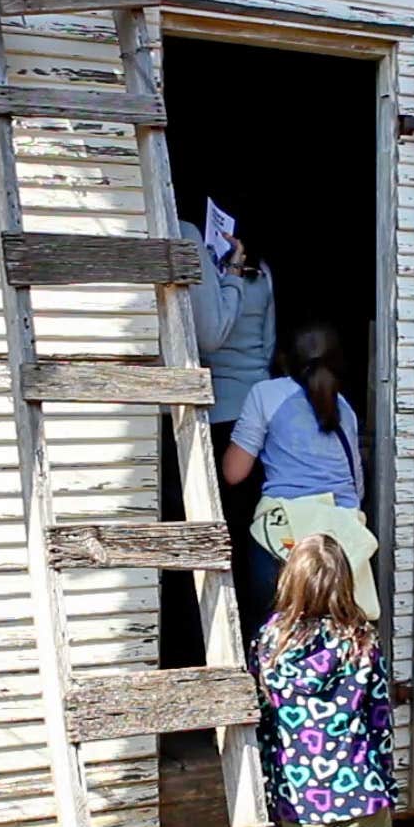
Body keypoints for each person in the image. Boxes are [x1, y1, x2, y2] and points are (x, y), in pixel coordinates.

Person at [247, 534, 414, 827]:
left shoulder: (270, 642)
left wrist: (270, 781)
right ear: (344, 582)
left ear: (290, 581)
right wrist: (385, 779)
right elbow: (380, 719)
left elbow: (263, 722)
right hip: (362, 788)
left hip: (301, 795)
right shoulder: (361, 639)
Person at [223, 323, 378, 632]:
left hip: (286, 539)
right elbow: (356, 488)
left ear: (282, 359)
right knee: (335, 636)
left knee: (274, 632)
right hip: (341, 546)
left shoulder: (266, 393)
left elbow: (234, 473)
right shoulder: (344, 408)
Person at [177, 216, 276, 577]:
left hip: (216, 410)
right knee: (257, 526)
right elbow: (269, 341)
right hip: (257, 410)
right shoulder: (262, 272)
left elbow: (206, 338)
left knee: (217, 527)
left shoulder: (202, 262)